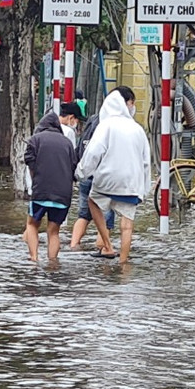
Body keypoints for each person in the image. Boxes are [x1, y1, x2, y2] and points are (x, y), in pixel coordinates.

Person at [75, 88, 151, 263]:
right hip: (131, 183)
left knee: (93, 202)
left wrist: (81, 172)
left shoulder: (105, 125)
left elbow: (93, 153)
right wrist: (144, 188)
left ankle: (107, 245)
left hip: (106, 180)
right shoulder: (137, 128)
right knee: (127, 224)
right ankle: (124, 263)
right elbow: (146, 160)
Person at [69, 87, 135, 254]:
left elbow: (83, 146)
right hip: (104, 177)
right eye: (131, 103)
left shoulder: (93, 119)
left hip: (86, 174)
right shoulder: (117, 125)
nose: (133, 107)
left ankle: (74, 245)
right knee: (105, 219)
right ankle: (104, 248)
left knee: (84, 214)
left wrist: (79, 171)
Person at [23, 112, 77, 262]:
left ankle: (34, 259)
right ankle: (52, 263)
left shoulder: (35, 140)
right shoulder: (67, 143)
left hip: (41, 191)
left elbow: (29, 161)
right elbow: (74, 167)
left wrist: (36, 181)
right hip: (63, 195)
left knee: (32, 225)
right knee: (54, 232)